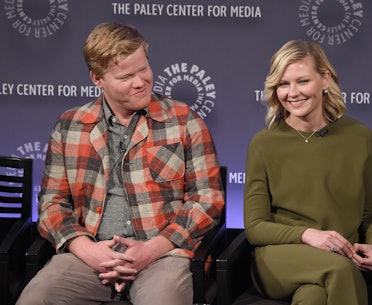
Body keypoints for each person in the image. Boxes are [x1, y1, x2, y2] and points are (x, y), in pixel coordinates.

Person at [17, 22, 224, 305]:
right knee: (36, 298)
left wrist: (151, 250)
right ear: (97, 79)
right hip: (90, 256)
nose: (140, 81)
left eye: (144, 69)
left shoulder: (183, 120)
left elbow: (207, 199)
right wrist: (87, 249)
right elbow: (52, 203)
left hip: (162, 255)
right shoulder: (70, 126)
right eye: (126, 76)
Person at [243, 40, 372, 305]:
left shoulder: (359, 137)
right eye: (283, 84)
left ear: (325, 80)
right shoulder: (263, 143)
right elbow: (254, 228)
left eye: (303, 81)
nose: (292, 93)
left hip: (340, 255)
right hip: (280, 258)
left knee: (313, 297)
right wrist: (307, 234)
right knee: (340, 270)